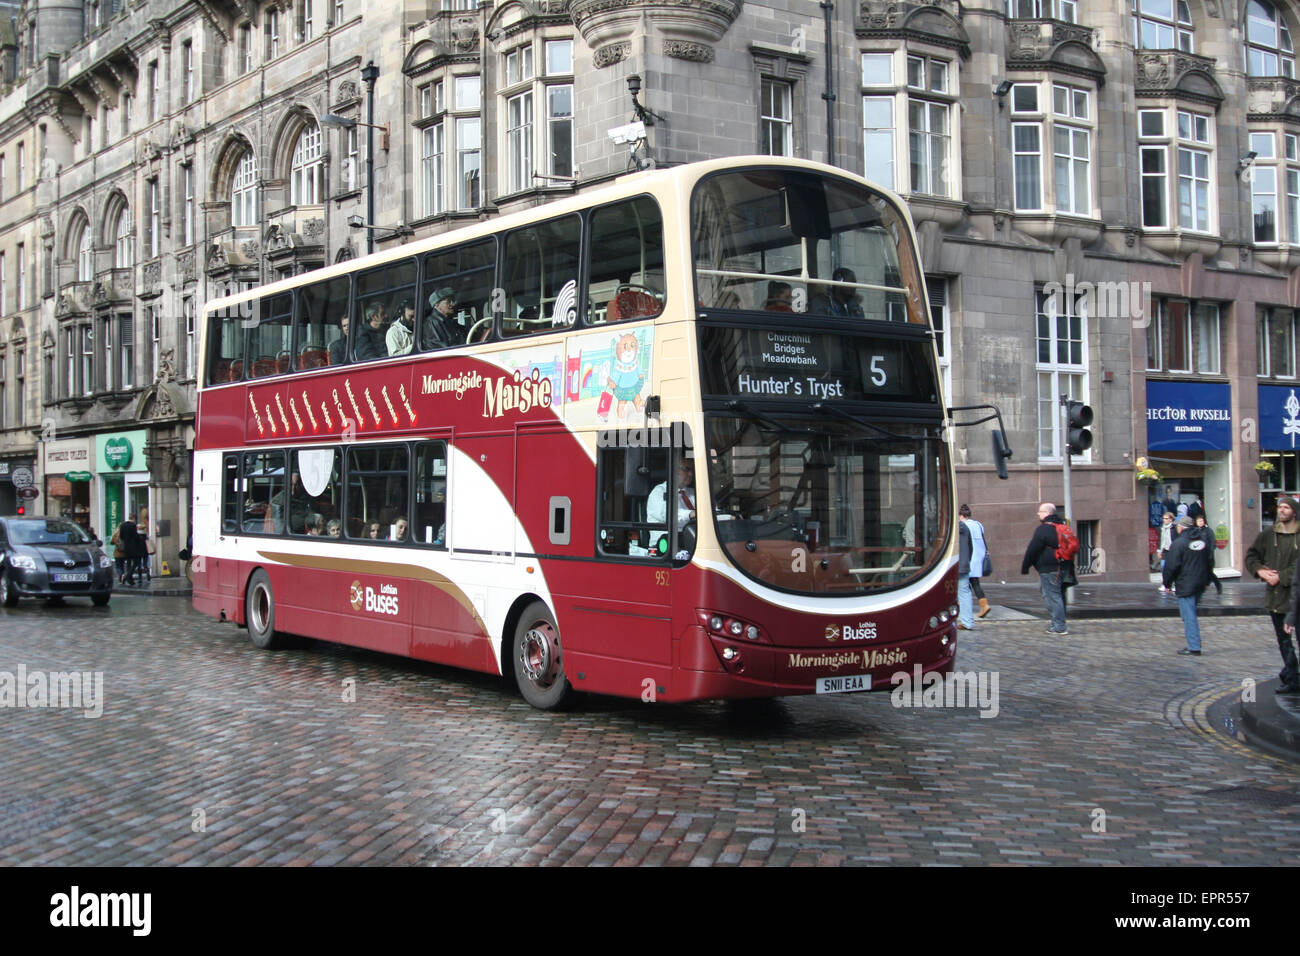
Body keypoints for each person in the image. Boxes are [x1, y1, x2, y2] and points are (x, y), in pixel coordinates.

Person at [1247, 495, 1300, 692]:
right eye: (1280, 507)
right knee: (1283, 641)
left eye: (1286, 507)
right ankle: (1292, 677)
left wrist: (1282, 576)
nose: (1282, 510)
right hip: (1276, 597)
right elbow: (1252, 556)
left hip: (1297, 596)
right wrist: (1261, 571)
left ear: (1294, 511)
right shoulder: (1269, 534)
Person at [1163, 514, 1214, 655]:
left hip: (1186, 583)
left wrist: (1167, 583)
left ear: (1181, 527)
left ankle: (1194, 646)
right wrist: (1208, 580)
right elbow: (1210, 560)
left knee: (1189, 615)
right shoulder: (1203, 540)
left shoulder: (1179, 543)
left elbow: (1171, 566)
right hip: (1200, 582)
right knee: (1190, 613)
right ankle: (1194, 643)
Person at [1020, 502, 1068, 635]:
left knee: (1052, 596)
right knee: (1057, 595)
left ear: (1047, 513)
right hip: (1063, 567)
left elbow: (1033, 549)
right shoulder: (1062, 526)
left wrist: (1025, 566)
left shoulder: (1044, 529)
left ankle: (1059, 626)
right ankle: (1058, 623)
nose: (1038, 514)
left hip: (1050, 568)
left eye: (1040, 511)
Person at [647, 459, 696, 559]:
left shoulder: (693, 493)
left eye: (692, 470)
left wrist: (727, 516)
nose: (691, 474)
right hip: (665, 550)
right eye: (686, 469)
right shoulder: (659, 492)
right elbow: (667, 514)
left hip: (693, 544)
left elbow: (709, 513)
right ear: (674, 470)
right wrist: (690, 514)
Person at [962, 503, 992, 619]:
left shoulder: (963, 526)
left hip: (968, 558)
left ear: (961, 516)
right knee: (974, 582)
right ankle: (983, 605)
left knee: (965, 585)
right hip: (978, 558)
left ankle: (970, 608)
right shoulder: (978, 524)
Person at [957, 514, 974, 630]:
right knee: (964, 592)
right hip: (964, 564)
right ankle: (967, 622)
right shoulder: (965, 527)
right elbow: (970, 547)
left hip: (950, 565)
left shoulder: (948, 527)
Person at [1156, 511, 1176, 591]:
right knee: (1164, 566)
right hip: (1165, 550)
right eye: (1164, 518)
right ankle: (1165, 584)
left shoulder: (1174, 528)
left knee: (1174, 568)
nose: (1165, 520)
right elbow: (1161, 540)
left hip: (1173, 550)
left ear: (1171, 519)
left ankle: (1175, 584)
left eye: (1167, 518)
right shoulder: (1162, 528)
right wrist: (1159, 550)